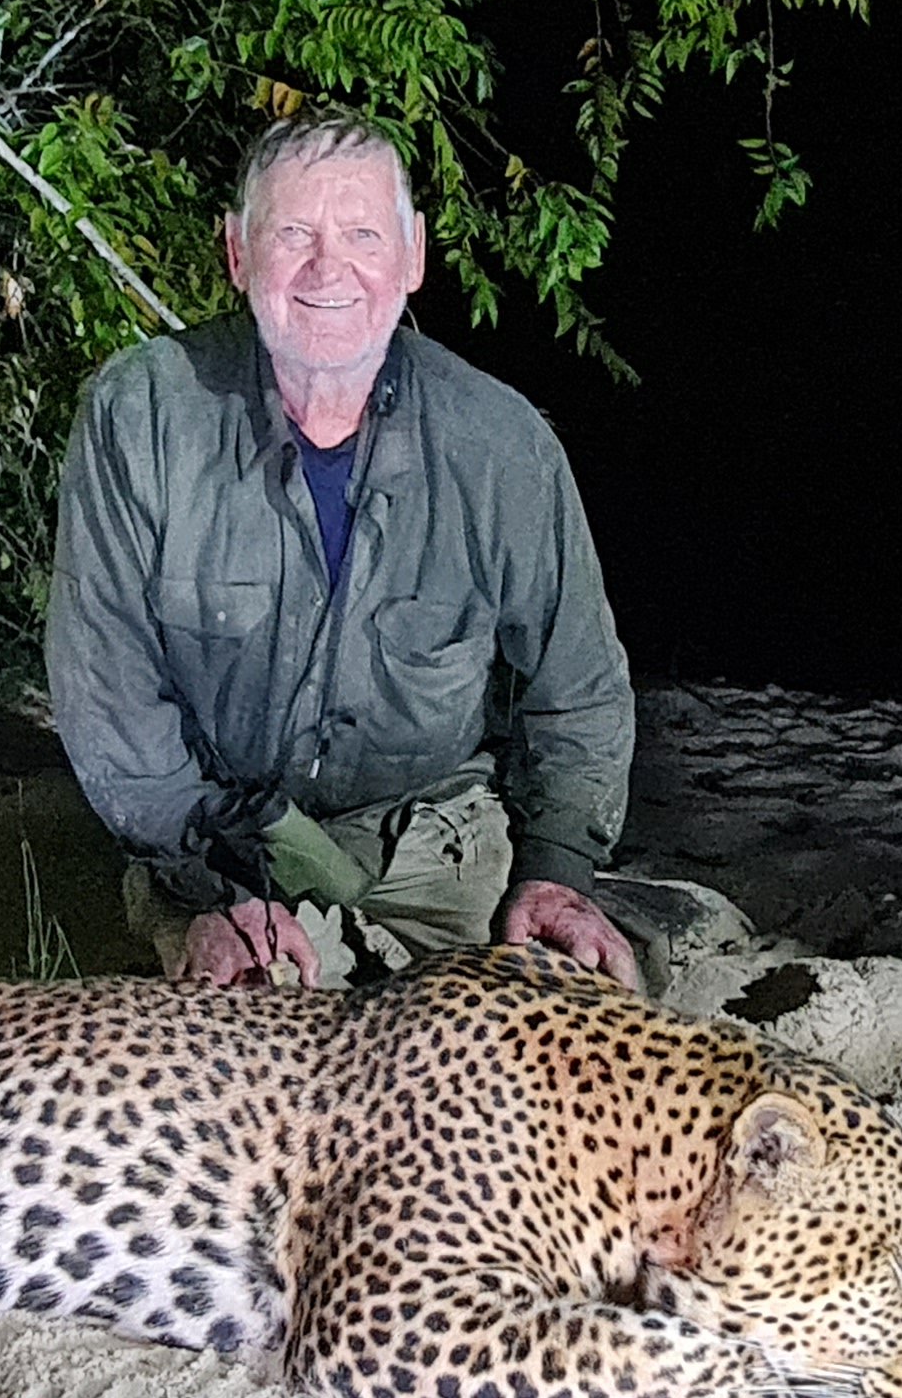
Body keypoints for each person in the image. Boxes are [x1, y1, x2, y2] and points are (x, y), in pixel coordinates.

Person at [48, 111, 641, 990]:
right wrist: (205, 885)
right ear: (239, 254)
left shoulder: (502, 444)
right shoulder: (139, 415)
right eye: (293, 234)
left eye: (362, 234)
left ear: (413, 257)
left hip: (438, 848)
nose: (329, 270)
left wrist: (557, 871)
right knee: (245, 1050)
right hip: (217, 843)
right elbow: (108, 693)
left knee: (567, 1043)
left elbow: (578, 691)